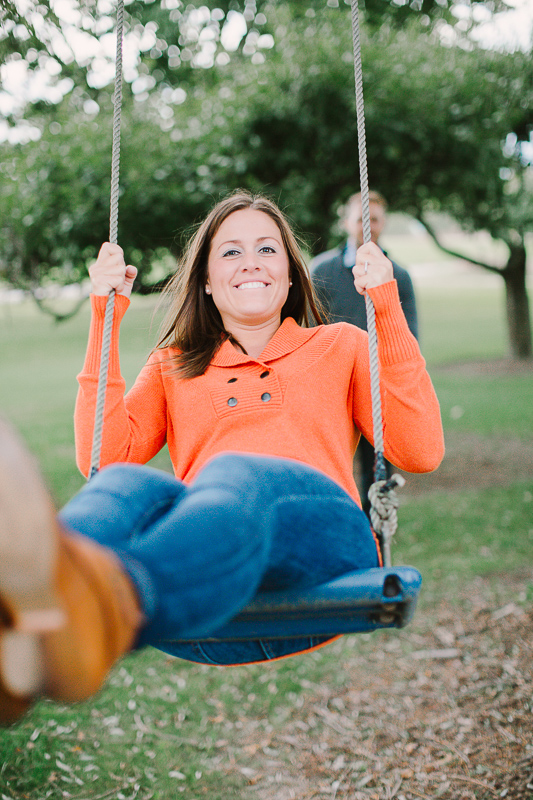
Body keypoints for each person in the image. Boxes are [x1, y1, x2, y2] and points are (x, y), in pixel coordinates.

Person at [0, 191, 444, 726]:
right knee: (127, 489)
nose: (251, 261)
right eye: (230, 253)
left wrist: (385, 304)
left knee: (237, 472)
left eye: (267, 249)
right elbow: (103, 456)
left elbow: (420, 451)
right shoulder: (174, 365)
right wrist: (104, 316)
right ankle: (37, 605)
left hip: (326, 551)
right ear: (207, 280)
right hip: (208, 593)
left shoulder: (340, 346)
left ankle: (105, 604)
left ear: (289, 274)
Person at [311, 191, 419, 513]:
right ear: (346, 221)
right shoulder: (322, 271)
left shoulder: (397, 276)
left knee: (378, 466)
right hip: (335, 385)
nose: (367, 225)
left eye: (374, 219)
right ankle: (342, 523)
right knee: (335, 463)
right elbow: (309, 330)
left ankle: (378, 531)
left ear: (383, 223)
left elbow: (408, 337)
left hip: (379, 385)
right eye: (361, 218)